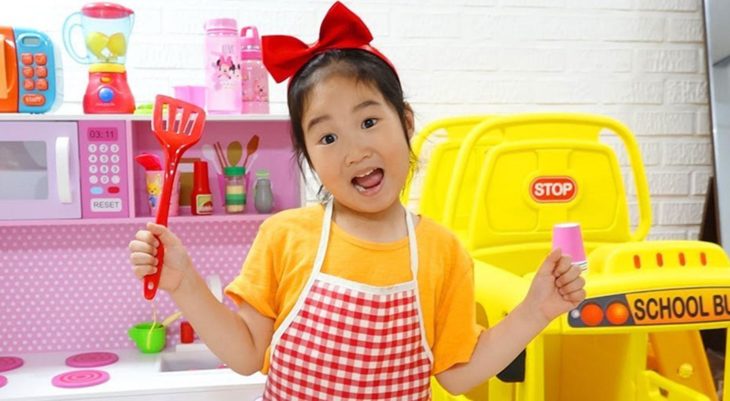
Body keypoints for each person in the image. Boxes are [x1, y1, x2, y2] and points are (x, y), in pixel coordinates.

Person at [128, 2, 586, 399]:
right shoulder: (285, 237)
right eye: (327, 136)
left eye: (368, 122)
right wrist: (183, 281)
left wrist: (533, 312)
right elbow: (247, 355)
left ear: (406, 123)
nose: (354, 150)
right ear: (307, 156)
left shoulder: (443, 253)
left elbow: (458, 374)